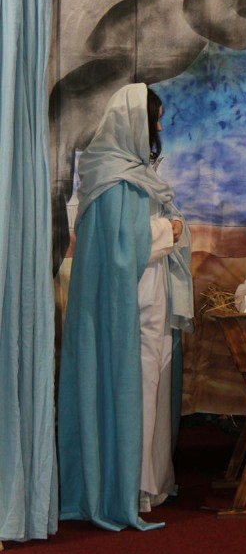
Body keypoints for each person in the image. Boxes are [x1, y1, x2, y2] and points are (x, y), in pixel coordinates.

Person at [58, 83, 194, 531]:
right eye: (155, 119)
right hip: (127, 302)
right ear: (134, 122)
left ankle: (150, 482)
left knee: (153, 383)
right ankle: (128, 486)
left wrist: (169, 227)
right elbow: (122, 246)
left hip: (151, 295)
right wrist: (170, 231)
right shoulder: (110, 176)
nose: (159, 128)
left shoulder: (135, 172)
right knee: (133, 385)